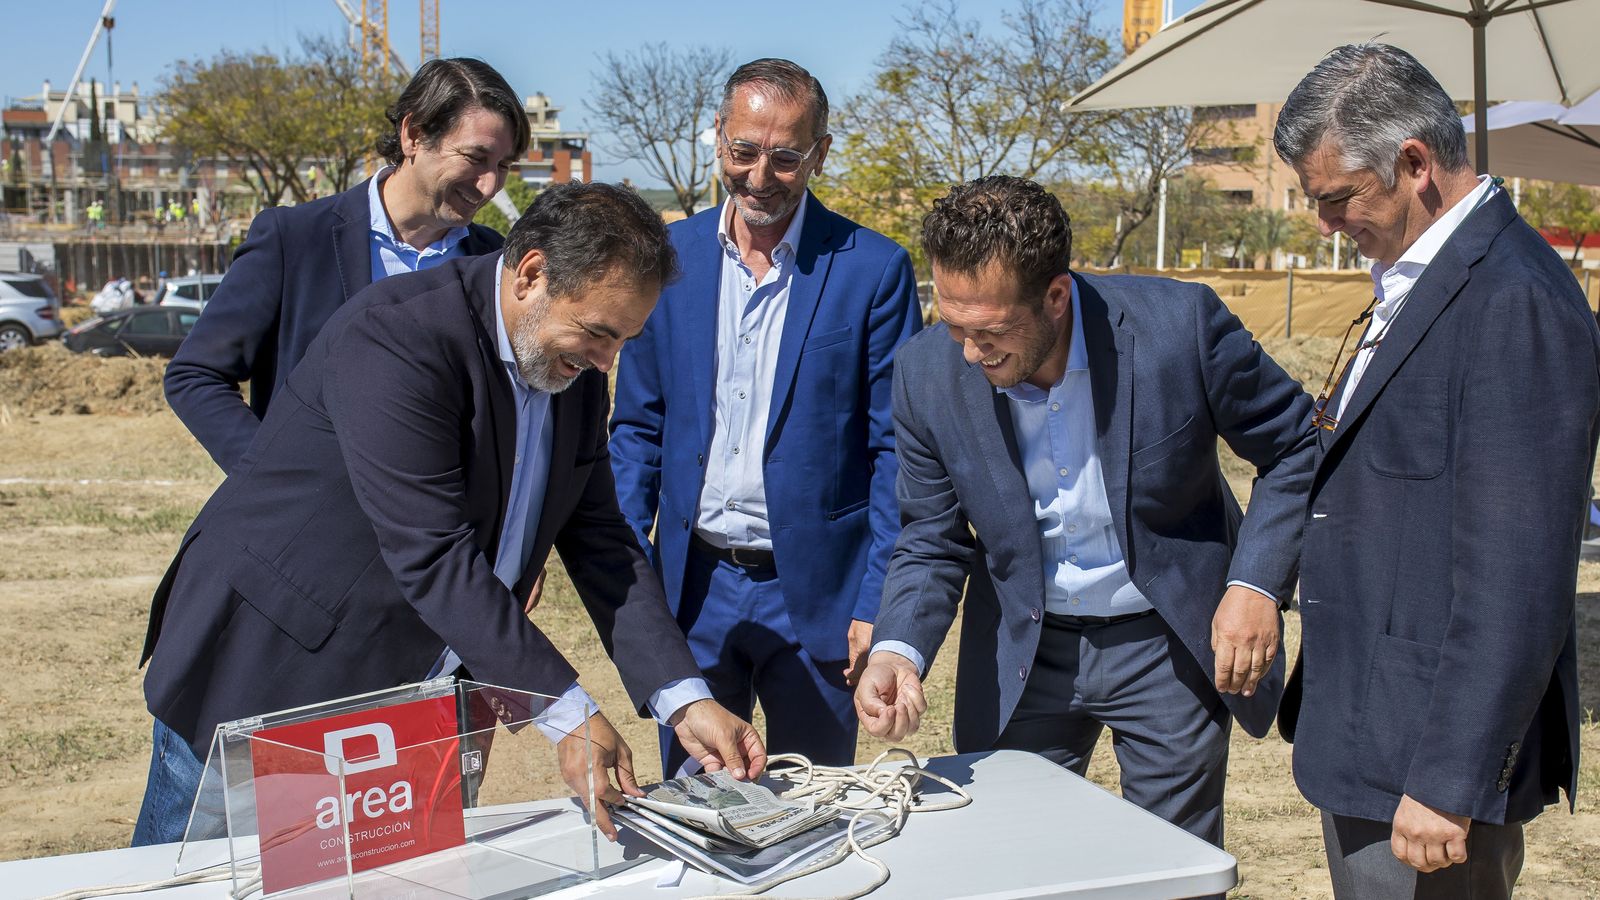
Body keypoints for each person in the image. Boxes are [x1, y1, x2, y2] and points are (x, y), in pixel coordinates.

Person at [134, 182, 765, 847]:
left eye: (623, 341)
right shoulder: (398, 336)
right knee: (189, 878)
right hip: (273, 671)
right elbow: (433, 553)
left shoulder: (569, 368)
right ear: (531, 275)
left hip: (418, 691)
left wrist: (683, 698)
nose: (606, 362)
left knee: (390, 879)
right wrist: (568, 714)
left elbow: (602, 538)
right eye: (598, 334)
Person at [855, 175, 1315, 850]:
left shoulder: (1180, 328)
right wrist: (898, 649)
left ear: (1056, 296)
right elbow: (931, 536)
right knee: (1013, 860)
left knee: (1171, 867)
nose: (970, 352)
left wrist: (1255, 586)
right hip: (1022, 649)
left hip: (1165, 644)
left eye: (991, 331)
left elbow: (1296, 445)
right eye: (953, 325)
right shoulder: (925, 374)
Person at [1270, 44, 1598, 898]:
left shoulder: (1514, 299)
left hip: (1425, 763)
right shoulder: (1421, 276)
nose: (1325, 225)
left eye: (1336, 198)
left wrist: (1452, 777)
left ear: (1414, 163)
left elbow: (1518, 575)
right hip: (1373, 731)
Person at [609, 58, 921, 773]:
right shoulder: (668, 259)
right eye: (743, 150)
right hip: (692, 590)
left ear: (820, 153)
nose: (759, 176)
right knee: (697, 802)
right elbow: (637, 432)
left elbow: (894, 453)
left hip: (819, 595)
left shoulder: (873, 270)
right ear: (719, 136)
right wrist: (630, 577)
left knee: (816, 809)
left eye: (785, 157)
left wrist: (877, 600)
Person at [165, 57, 528, 475]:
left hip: (441, 513)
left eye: (503, 166)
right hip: (310, 511)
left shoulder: (497, 262)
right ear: (413, 135)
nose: (489, 184)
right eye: (476, 157)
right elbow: (195, 375)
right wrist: (271, 480)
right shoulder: (294, 239)